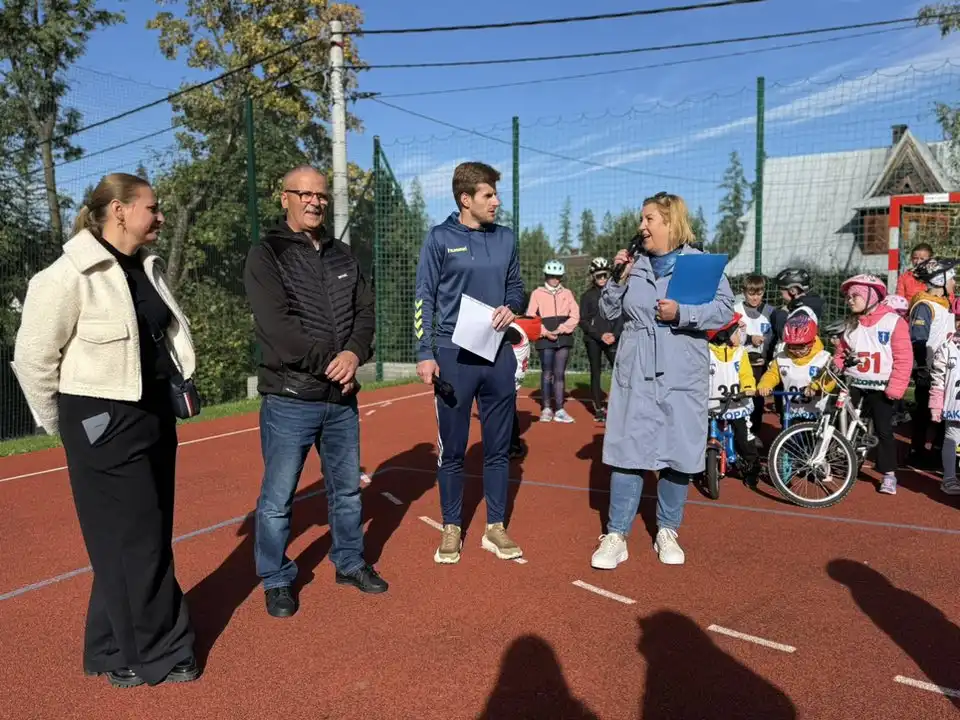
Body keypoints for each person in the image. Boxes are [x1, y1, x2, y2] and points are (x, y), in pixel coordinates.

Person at [12, 172, 200, 687]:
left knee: (142, 534)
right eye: (152, 208)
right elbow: (32, 359)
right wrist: (68, 426)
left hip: (153, 414)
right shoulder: (67, 274)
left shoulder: (144, 266)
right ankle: (159, 651)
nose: (160, 217)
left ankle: (109, 645)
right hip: (101, 420)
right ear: (119, 211)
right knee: (136, 540)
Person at [243, 165, 387, 619]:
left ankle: (349, 562)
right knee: (277, 500)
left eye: (321, 195)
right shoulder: (266, 254)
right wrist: (333, 363)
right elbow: (278, 328)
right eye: (303, 194)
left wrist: (354, 354)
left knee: (346, 491)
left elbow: (366, 312)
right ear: (284, 197)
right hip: (290, 398)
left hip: (340, 400)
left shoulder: (344, 256)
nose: (314, 202)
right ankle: (276, 578)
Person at [589, 191, 734, 570]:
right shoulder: (634, 263)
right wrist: (617, 279)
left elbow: (724, 311)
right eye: (642, 219)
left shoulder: (700, 263)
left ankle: (667, 529)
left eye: (649, 219)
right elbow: (608, 311)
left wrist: (682, 312)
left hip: (682, 363)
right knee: (627, 448)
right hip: (636, 364)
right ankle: (616, 535)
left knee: (678, 449)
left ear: (670, 222)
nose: (642, 226)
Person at [414, 161, 525, 565]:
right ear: (465, 199)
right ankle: (451, 527)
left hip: (497, 354)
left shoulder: (506, 238)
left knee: (498, 447)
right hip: (452, 356)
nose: (496, 202)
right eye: (488, 195)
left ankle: (495, 526)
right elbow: (424, 296)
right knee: (454, 450)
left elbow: (516, 287)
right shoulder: (440, 238)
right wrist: (425, 352)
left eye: (496, 194)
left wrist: (511, 306)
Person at [834, 274, 912, 495]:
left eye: (855, 296)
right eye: (848, 297)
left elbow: (904, 358)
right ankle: (845, 458)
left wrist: (896, 387)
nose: (850, 300)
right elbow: (840, 354)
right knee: (841, 420)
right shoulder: (850, 324)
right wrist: (837, 366)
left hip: (881, 387)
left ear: (871, 296)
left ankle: (889, 474)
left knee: (883, 429)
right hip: (853, 383)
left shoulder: (893, 322)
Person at [907, 257, 957, 466]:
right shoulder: (925, 305)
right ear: (940, 280)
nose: (954, 282)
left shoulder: (945, 304)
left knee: (944, 412)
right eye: (952, 278)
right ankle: (917, 452)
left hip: (946, 368)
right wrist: (922, 368)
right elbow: (918, 339)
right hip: (928, 369)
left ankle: (938, 450)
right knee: (924, 413)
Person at [706, 312, 760, 486]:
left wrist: (748, 387)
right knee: (702, 434)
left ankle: (752, 467)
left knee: (744, 438)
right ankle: (700, 465)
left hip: (738, 403)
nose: (740, 336)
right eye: (737, 332)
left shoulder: (740, 353)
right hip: (713, 404)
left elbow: (746, 374)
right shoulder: (707, 353)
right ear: (724, 336)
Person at [526, 259, 580, 423]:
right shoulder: (537, 293)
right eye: (551, 276)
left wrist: (562, 328)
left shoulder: (567, 293)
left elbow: (575, 315)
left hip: (563, 337)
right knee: (547, 373)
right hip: (545, 338)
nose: (555, 279)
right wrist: (545, 332)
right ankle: (547, 408)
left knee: (560, 374)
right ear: (546, 276)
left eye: (558, 276)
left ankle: (560, 410)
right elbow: (530, 317)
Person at [757, 313, 832, 426]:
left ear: (811, 342)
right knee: (787, 434)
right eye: (792, 347)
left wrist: (816, 387)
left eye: (801, 347)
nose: (797, 351)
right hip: (791, 411)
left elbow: (830, 379)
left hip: (817, 412)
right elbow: (772, 374)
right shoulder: (782, 358)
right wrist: (765, 384)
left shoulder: (824, 358)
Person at [579, 257, 623, 422]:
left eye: (605, 275)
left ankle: (621, 405)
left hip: (612, 338)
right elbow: (583, 321)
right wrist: (599, 335)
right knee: (596, 372)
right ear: (593, 276)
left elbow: (621, 316)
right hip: (594, 339)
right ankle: (598, 408)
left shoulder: (615, 293)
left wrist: (615, 334)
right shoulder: (587, 296)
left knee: (619, 370)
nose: (602, 279)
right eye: (599, 276)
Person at [733, 274, 775, 444]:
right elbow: (731, 335)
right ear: (744, 292)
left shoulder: (770, 312)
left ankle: (755, 432)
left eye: (759, 293)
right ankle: (738, 434)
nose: (755, 298)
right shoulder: (736, 310)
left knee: (757, 400)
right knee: (740, 399)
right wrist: (750, 339)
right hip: (740, 364)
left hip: (760, 365)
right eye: (751, 294)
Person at [928, 308, 960, 495]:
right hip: (954, 405)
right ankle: (949, 478)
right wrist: (936, 406)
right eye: (958, 319)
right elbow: (938, 380)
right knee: (951, 439)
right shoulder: (947, 347)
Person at [507, 314, 541, 459]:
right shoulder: (519, 333)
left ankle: (513, 446)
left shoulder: (514, 331)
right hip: (513, 379)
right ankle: (513, 446)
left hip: (508, 379)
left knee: (505, 415)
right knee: (509, 412)